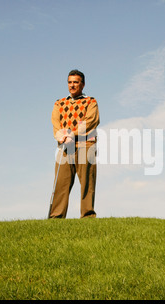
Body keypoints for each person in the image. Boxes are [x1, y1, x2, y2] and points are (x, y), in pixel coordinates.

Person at [49, 69, 100, 219]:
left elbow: (91, 121)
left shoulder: (91, 101)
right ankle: (56, 217)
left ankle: (87, 216)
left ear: (82, 84)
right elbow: (55, 122)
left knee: (87, 183)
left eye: (76, 82)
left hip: (86, 145)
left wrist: (72, 133)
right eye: (70, 82)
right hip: (65, 146)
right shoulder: (59, 103)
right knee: (60, 183)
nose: (72, 85)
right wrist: (61, 136)